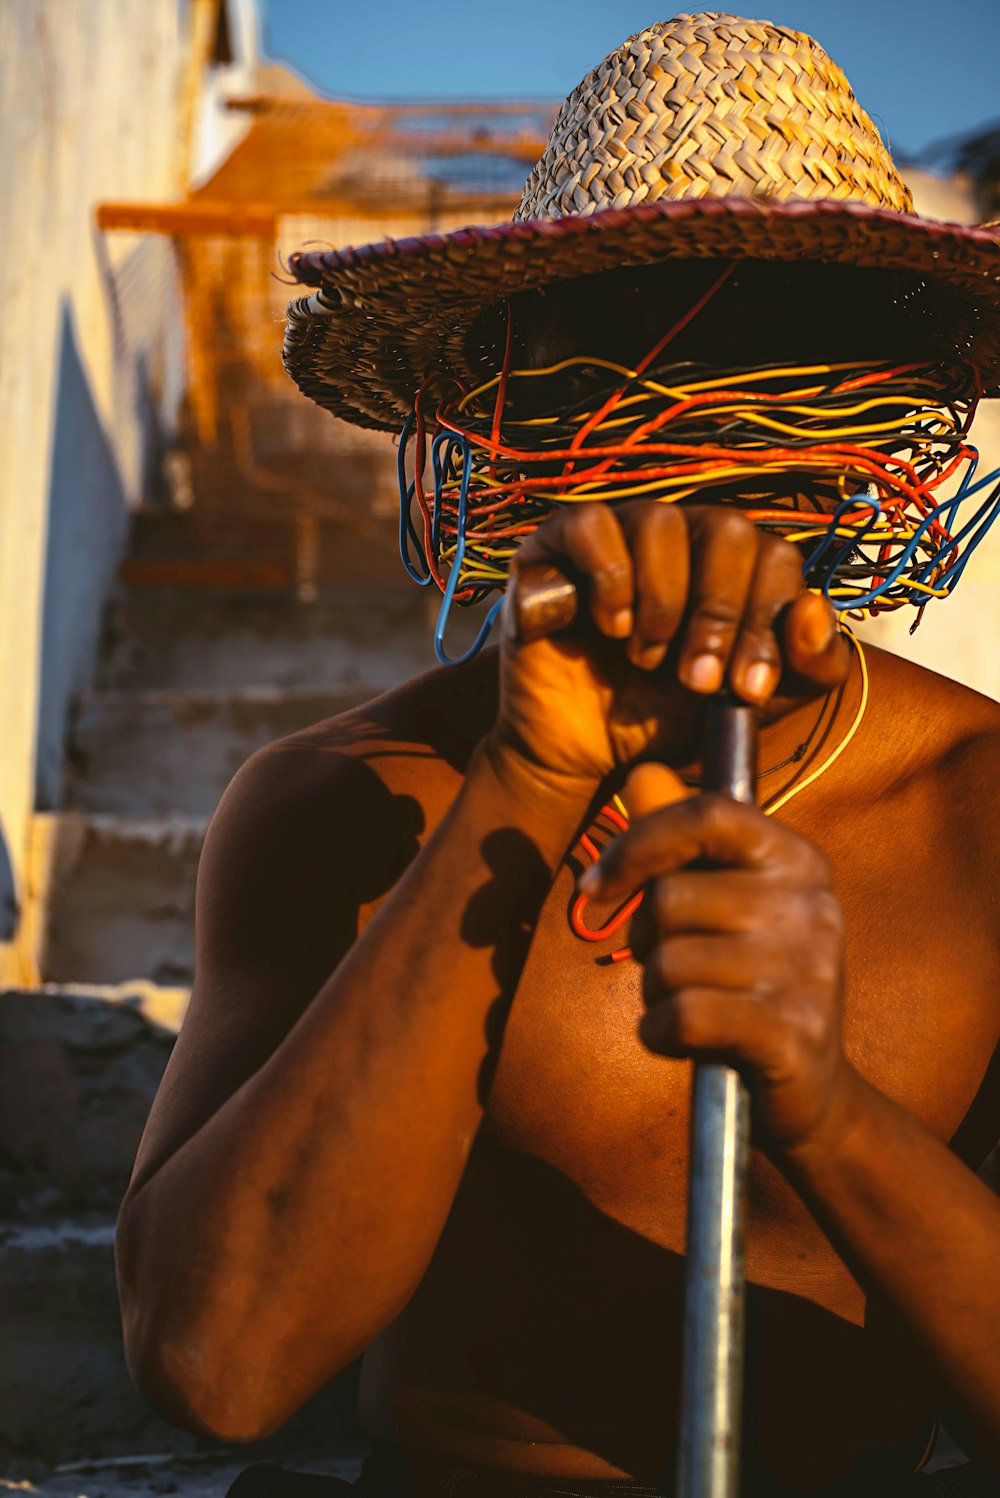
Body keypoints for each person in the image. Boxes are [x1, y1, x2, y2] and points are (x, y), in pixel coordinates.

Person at [115, 14, 1000, 1496]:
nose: (705, 464)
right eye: (637, 375)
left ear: (886, 430)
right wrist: (521, 787)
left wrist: (826, 1108)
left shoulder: (977, 810)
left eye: (779, 375)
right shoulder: (361, 796)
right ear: (515, 423)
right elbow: (218, 1362)